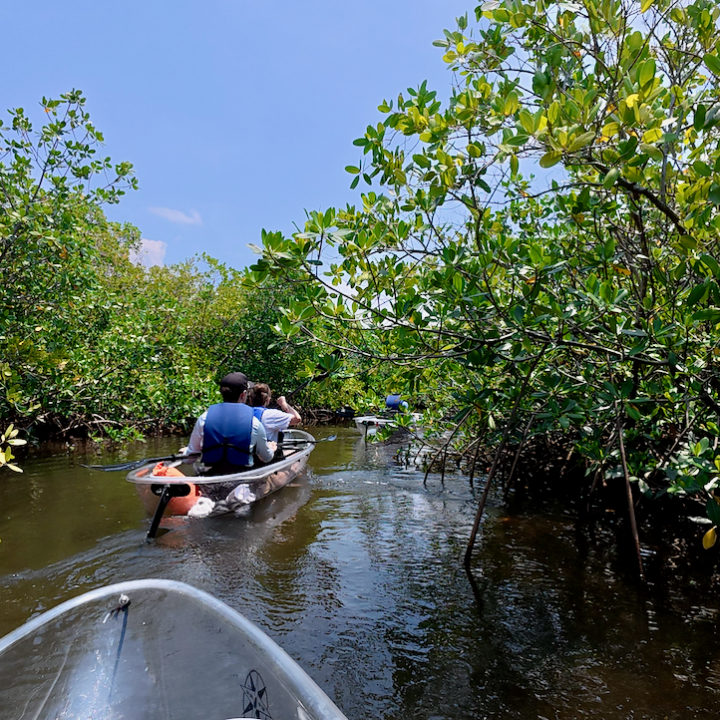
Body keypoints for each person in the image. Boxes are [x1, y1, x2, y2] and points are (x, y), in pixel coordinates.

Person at [184, 372, 275, 474]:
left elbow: (189, 459)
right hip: (241, 479)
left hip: (209, 479)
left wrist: (187, 451)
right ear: (243, 394)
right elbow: (266, 458)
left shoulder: (204, 419)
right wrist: (271, 448)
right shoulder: (254, 423)